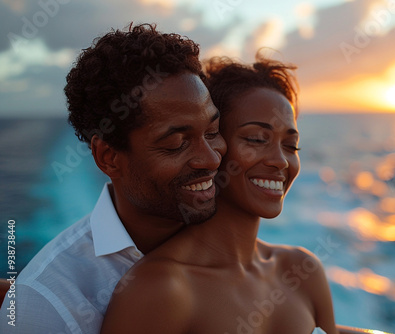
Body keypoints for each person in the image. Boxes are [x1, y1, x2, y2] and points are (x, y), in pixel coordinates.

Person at [0, 23, 226, 334]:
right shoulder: (47, 303)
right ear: (108, 157)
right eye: (176, 143)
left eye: (213, 132)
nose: (212, 158)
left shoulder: (234, 239)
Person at [100, 55, 339, 334]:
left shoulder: (303, 270)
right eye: (256, 139)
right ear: (213, 143)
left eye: (291, 145)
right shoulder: (160, 288)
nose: (281, 161)